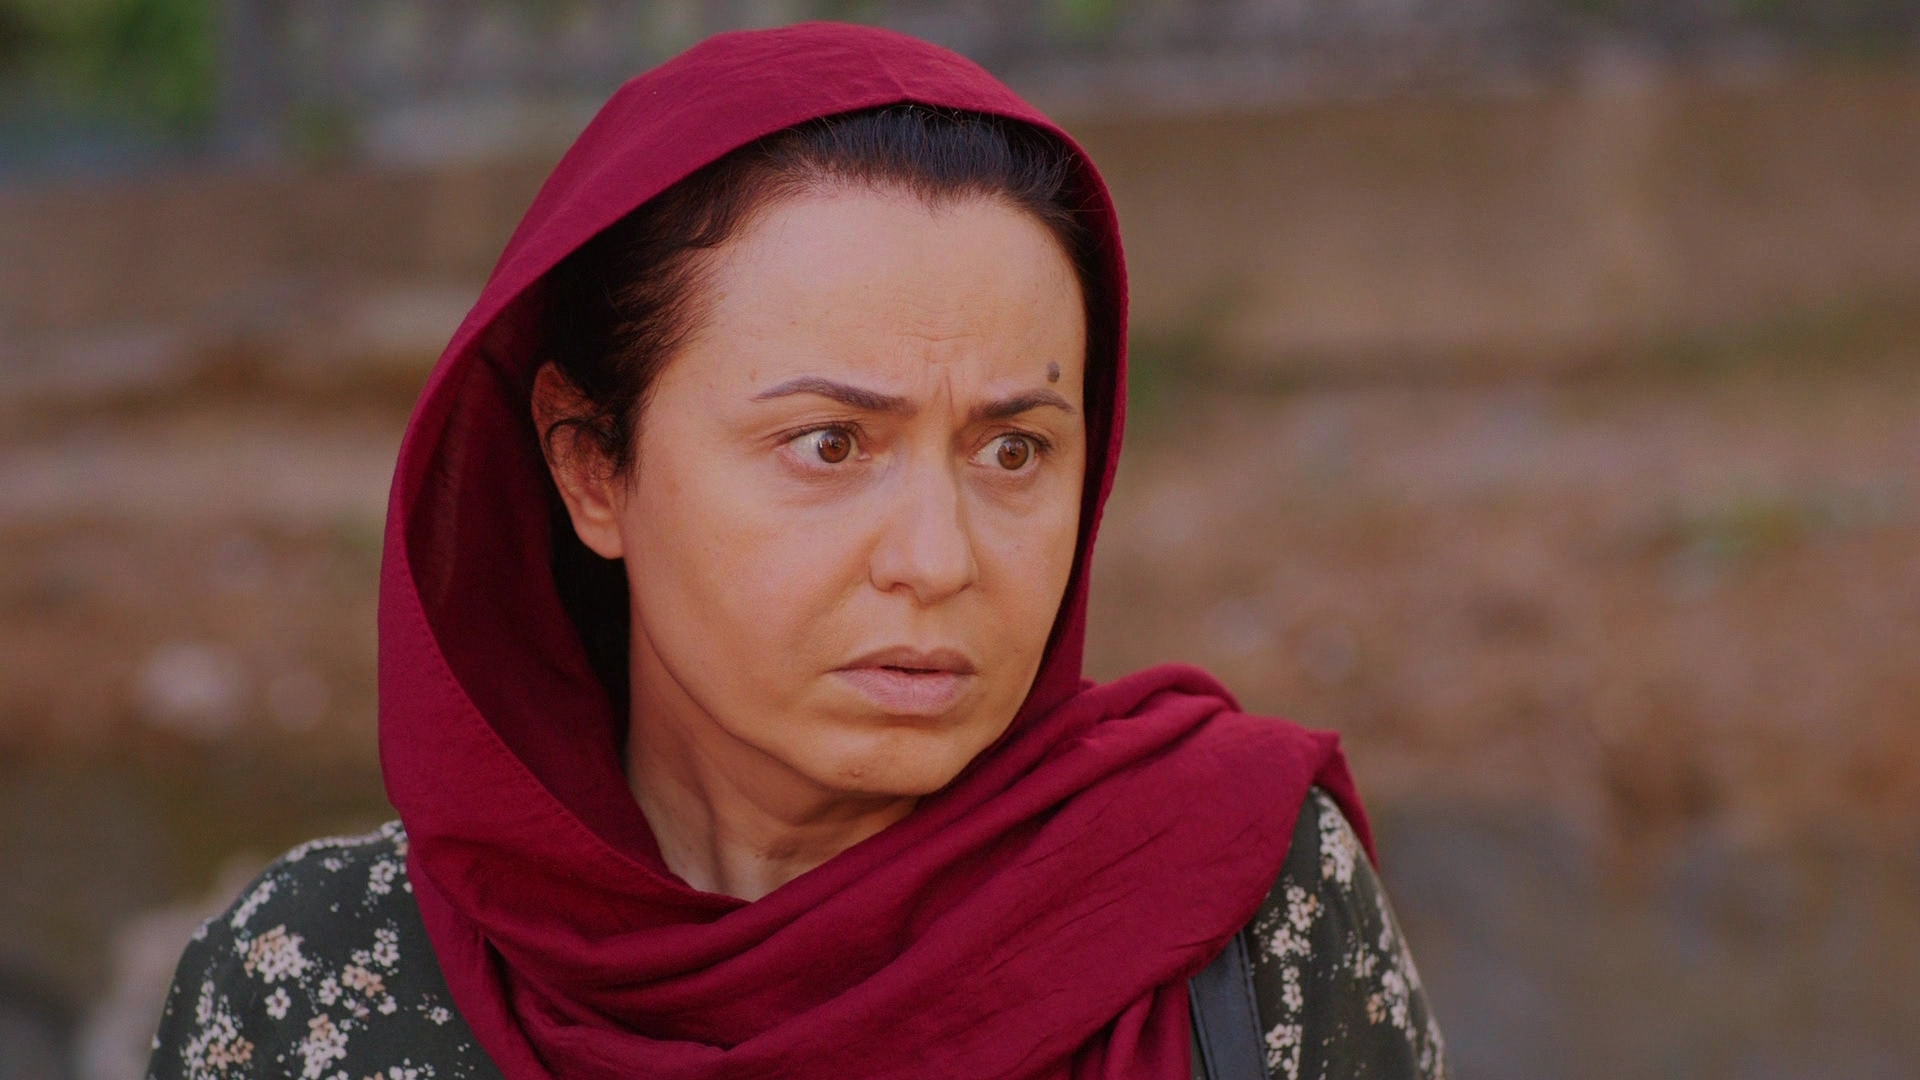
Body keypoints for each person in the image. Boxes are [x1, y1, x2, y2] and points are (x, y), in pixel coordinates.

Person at [149, 23, 1444, 1080]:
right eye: (829, 444)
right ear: (592, 467)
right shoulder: (315, 986)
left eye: (1012, 451)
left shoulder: (1237, 904)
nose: (938, 559)